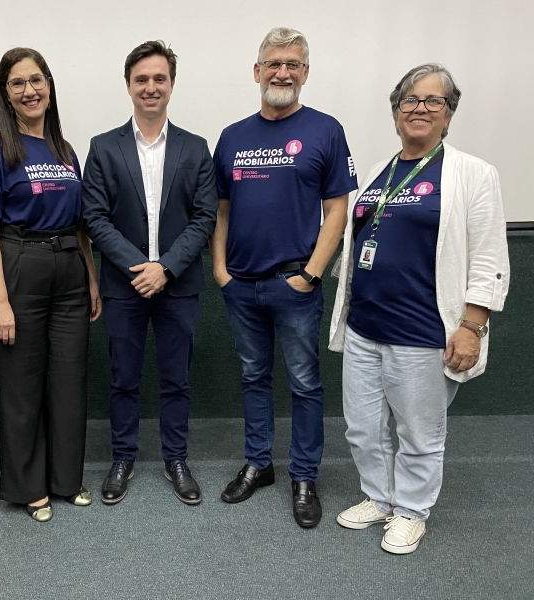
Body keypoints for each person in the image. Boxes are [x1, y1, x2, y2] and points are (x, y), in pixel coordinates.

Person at [329, 63, 509, 554]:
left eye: (433, 101)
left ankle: (411, 511)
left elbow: (490, 256)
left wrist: (472, 326)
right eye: (409, 100)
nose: (420, 108)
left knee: (419, 432)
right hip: (365, 326)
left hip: (423, 331)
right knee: (363, 428)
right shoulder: (378, 172)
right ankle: (379, 497)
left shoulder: (473, 174)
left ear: (449, 114)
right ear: (396, 113)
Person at [210, 27, 356, 528]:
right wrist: (220, 270)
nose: (282, 72)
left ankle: (304, 476)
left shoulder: (325, 130)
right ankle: (259, 464)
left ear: (306, 73)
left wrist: (312, 274)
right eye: (273, 63)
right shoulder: (232, 137)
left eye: (293, 64)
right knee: (253, 376)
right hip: (241, 285)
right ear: (257, 71)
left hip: (294, 284)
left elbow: (338, 210)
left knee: (305, 383)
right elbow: (221, 210)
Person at [83, 40, 217, 505]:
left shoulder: (196, 148)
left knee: (177, 379)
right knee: (124, 378)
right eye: (141, 79)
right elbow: (94, 216)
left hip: (178, 286)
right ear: (128, 86)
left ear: (172, 84)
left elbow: (205, 217)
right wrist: (139, 268)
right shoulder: (103, 147)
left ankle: (175, 458)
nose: (150, 87)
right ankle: (122, 458)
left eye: (159, 78)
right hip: (125, 286)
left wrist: (166, 268)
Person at [0, 47, 101, 523]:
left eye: (37, 80)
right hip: (18, 266)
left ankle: (66, 479)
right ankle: (29, 488)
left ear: (49, 86)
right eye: (18, 83)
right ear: (5, 93)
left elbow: (81, 226)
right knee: (22, 386)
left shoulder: (66, 151)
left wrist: (90, 279)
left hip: (69, 269)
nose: (30, 90)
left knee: (68, 383)